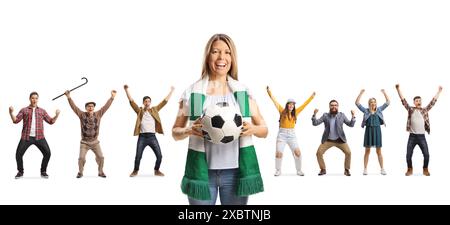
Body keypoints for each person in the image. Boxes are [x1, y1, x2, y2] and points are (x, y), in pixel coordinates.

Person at [172, 34, 268, 205]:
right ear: (208, 56)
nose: (221, 57)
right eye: (215, 52)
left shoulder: (244, 93)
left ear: (232, 58)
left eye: (227, 52)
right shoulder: (192, 94)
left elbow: (264, 130)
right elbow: (175, 132)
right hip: (201, 174)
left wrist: (253, 129)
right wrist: (188, 130)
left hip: (235, 173)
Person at [124, 84, 174, 177]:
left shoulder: (154, 110)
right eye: (146, 101)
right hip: (142, 137)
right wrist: (126, 90)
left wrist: (171, 91)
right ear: (143, 103)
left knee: (159, 156)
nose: (147, 103)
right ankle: (135, 170)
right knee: (138, 156)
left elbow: (164, 102)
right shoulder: (139, 111)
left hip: (152, 137)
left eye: (149, 101)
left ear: (150, 102)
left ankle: (156, 170)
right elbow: (131, 101)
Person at [64, 89, 116, 178]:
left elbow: (106, 106)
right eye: (88, 106)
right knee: (81, 158)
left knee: (101, 157)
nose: (90, 107)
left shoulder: (99, 114)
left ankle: (100, 172)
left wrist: (112, 97)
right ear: (86, 108)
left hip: (95, 142)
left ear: (94, 107)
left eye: (92, 106)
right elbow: (74, 107)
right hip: (84, 142)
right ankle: (80, 172)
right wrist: (69, 97)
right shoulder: (82, 115)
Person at [9, 92, 60, 179]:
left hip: (39, 137)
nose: (34, 100)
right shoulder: (24, 110)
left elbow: (51, 121)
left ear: (38, 99)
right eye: (33, 98)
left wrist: (57, 115)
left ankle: (43, 171)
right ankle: (20, 172)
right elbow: (16, 120)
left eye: (36, 98)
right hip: (26, 137)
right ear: (30, 99)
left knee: (47, 153)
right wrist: (11, 113)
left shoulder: (42, 111)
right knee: (18, 154)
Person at [266, 86, 315, 176]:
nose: (291, 105)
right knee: (279, 154)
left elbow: (304, 105)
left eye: (293, 104)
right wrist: (269, 92)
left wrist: (311, 97)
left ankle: (299, 170)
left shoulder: (296, 113)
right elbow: (274, 101)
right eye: (290, 104)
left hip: (292, 135)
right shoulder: (282, 111)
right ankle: (278, 170)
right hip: (282, 135)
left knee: (298, 152)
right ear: (287, 105)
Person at [395, 84, 442, 176]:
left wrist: (439, 91)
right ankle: (409, 169)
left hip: (421, 137)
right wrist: (398, 89)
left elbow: (433, 102)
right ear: (414, 102)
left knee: (427, 154)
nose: (418, 102)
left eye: (420, 101)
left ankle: (425, 168)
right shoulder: (410, 109)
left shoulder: (424, 110)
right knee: (408, 155)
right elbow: (403, 100)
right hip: (412, 136)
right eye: (417, 101)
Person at [312, 100, 355, 176]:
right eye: (332, 105)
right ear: (329, 106)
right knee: (319, 153)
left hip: (340, 140)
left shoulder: (342, 115)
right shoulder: (325, 115)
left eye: (335, 105)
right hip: (328, 140)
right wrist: (314, 114)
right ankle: (323, 169)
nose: (334, 107)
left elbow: (350, 125)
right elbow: (315, 123)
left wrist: (353, 116)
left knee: (348, 152)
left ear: (338, 106)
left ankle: (346, 170)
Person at [355, 89, 390, 175]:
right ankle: (365, 169)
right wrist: (361, 93)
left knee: (379, 151)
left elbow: (388, 102)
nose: (373, 103)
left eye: (374, 102)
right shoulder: (366, 110)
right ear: (369, 103)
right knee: (367, 151)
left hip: (377, 131)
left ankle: (382, 169)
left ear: (376, 103)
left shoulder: (379, 110)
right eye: (371, 102)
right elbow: (357, 103)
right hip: (368, 131)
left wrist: (384, 92)